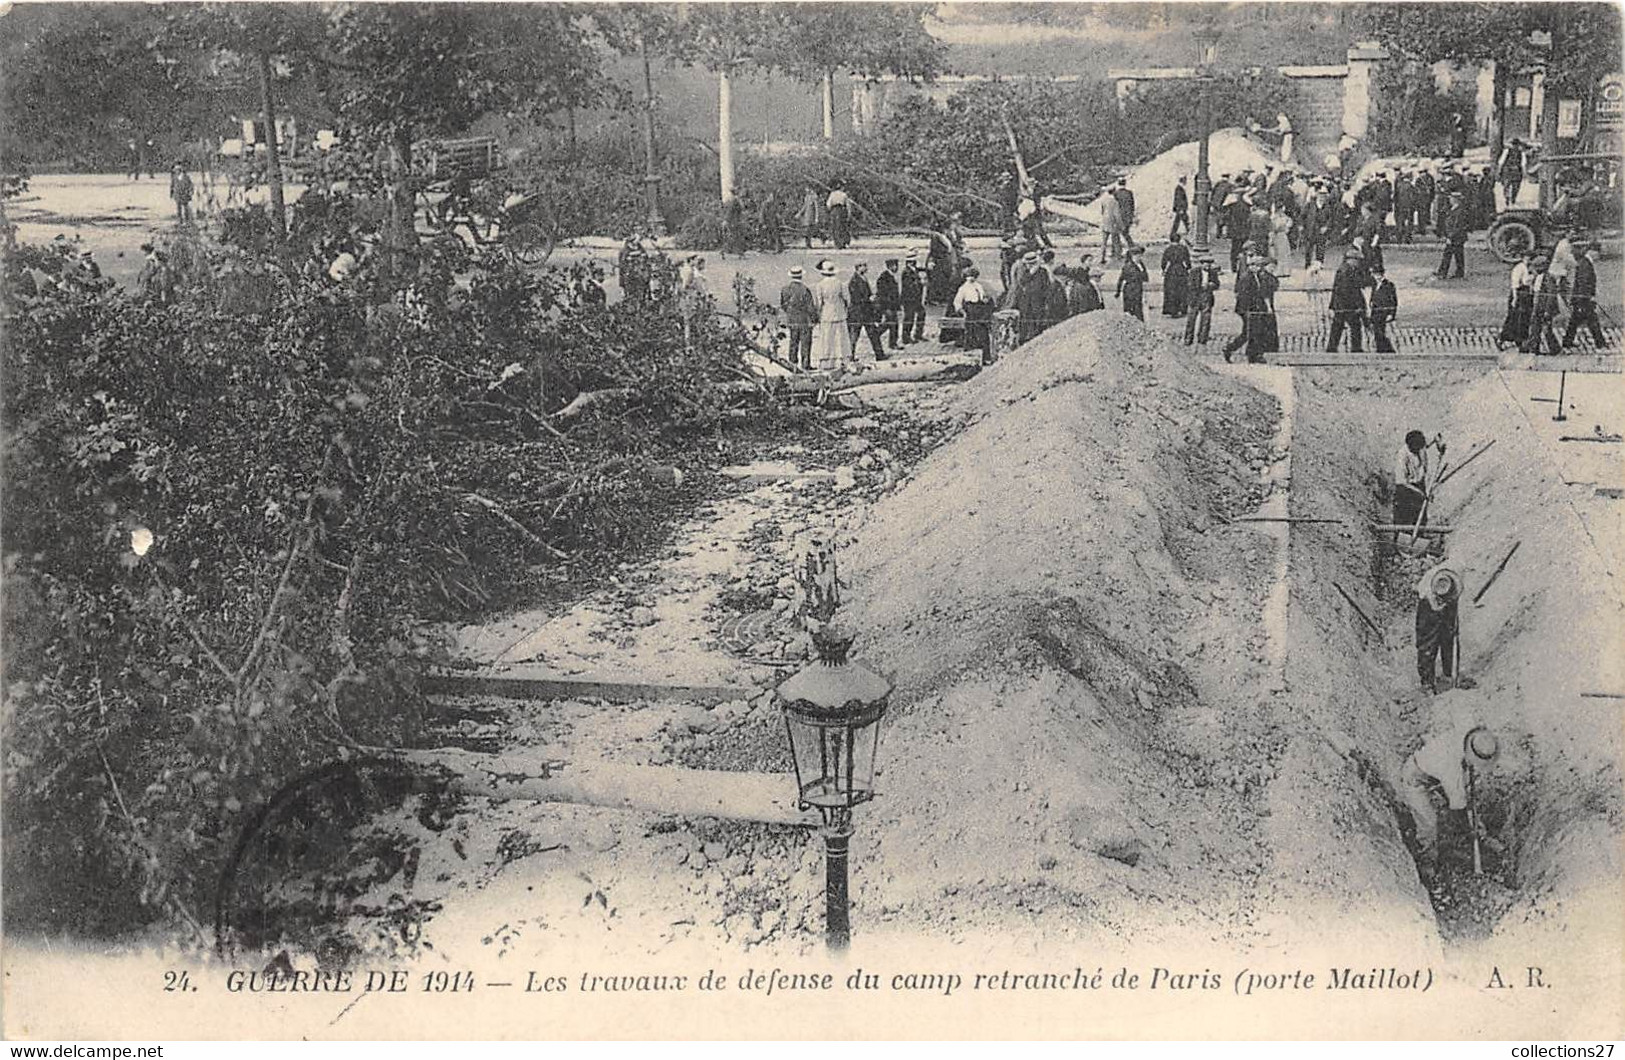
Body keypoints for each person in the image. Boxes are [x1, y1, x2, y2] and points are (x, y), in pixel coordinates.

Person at [1399, 722, 1500, 881]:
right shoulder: (1451, 769)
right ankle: (1427, 859)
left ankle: (1481, 836)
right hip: (1415, 778)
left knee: (1467, 799)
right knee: (1429, 823)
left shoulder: (1470, 739)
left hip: (1436, 772)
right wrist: (1465, 832)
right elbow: (1458, 808)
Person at [1414, 563, 1462, 693]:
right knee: (1428, 643)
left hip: (1448, 598)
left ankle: (1447, 674)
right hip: (1428, 608)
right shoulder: (1427, 593)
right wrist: (1439, 607)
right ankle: (1427, 682)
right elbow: (1435, 606)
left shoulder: (1453, 580)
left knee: (1448, 636)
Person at [1224, 253, 1278, 364]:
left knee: (1252, 332)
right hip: (1247, 310)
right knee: (1249, 332)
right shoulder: (1246, 278)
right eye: (1255, 266)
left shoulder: (1256, 276)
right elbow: (1244, 296)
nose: (1257, 268)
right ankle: (1232, 349)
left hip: (1254, 309)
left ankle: (1251, 354)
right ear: (1251, 266)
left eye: (1259, 266)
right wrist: (1249, 310)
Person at [1563, 241, 1605, 349]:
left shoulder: (1583, 264)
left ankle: (1567, 342)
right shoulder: (1583, 262)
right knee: (1590, 320)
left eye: (1574, 251)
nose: (1572, 254)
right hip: (1582, 298)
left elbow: (1584, 283)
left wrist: (1583, 298)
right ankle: (1600, 342)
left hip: (1582, 299)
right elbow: (1582, 283)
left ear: (1581, 250)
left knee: (1581, 320)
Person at [812, 260, 852, 370]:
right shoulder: (840, 283)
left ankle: (827, 360)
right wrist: (845, 309)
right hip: (839, 312)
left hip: (826, 313)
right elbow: (847, 299)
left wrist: (818, 313)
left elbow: (819, 303)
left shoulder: (820, 285)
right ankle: (841, 360)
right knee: (840, 337)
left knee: (827, 337)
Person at [1522, 254, 1565, 355]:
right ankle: (1533, 347)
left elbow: (1551, 296)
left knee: (1546, 329)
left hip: (1544, 308)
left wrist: (1547, 311)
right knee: (1535, 326)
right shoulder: (1539, 277)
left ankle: (1555, 349)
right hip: (1538, 306)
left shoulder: (1548, 279)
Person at [1393, 428, 1434, 529]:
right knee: (1405, 516)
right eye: (1417, 448)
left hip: (1419, 484)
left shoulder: (1420, 447)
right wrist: (1420, 493)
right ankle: (1402, 537)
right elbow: (1401, 482)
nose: (1419, 450)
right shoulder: (1402, 456)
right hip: (1406, 488)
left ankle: (1420, 535)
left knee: (1421, 515)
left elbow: (1433, 439)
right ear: (1410, 446)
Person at [779, 265, 818, 370]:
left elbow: (783, 305)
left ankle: (792, 364)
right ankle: (805, 364)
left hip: (792, 319)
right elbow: (810, 307)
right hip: (804, 319)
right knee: (805, 342)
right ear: (801, 276)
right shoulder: (805, 289)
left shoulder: (785, 289)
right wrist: (815, 318)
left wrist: (790, 312)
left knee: (793, 341)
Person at [953, 266, 993, 361]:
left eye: (973, 276)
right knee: (971, 335)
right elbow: (957, 302)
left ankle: (985, 358)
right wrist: (962, 312)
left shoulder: (978, 286)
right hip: (970, 311)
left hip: (980, 311)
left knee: (983, 335)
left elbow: (983, 297)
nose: (971, 278)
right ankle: (970, 359)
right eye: (969, 276)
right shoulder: (963, 288)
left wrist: (985, 300)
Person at [846, 261, 884, 360]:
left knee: (873, 334)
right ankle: (850, 356)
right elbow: (855, 299)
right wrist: (869, 299)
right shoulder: (854, 281)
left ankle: (879, 354)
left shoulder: (863, 278)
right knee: (854, 336)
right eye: (864, 266)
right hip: (857, 313)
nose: (866, 268)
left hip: (866, 312)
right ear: (858, 267)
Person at [1014, 250, 1053, 342]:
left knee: (1038, 319)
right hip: (1026, 301)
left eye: (1031, 264)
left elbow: (1047, 286)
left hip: (1039, 300)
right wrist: (1031, 273)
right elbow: (1021, 282)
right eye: (1028, 264)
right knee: (1027, 320)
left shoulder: (1043, 272)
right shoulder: (1024, 272)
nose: (1029, 266)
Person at [1499, 250, 1534, 349]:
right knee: (1514, 317)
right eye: (1527, 258)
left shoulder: (1529, 268)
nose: (1529, 261)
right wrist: (1515, 298)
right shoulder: (1519, 268)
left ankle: (1520, 339)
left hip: (1526, 295)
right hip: (1519, 294)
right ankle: (1505, 337)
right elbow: (1515, 284)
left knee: (1524, 318)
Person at [1184, 253, 1220, 346]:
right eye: (1205, 264)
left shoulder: (1213, 273)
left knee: (1206, 320)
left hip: (1207, 297)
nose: (1207, 266)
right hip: (1195, 297)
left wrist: (1211, 285)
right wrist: (1199, 286)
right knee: (1191, 320)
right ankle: (1188, 338)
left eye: (1209, 264)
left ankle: (1202, 339)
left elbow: (1217, 284)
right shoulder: (1194, 272)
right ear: (1201, 264)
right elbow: (1189, 285)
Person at [1435, 192, 1468, 280]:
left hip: (1456, 236)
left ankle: (1442, 273)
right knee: (1458, 255)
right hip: (1457, 236)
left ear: (1455, 200)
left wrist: (1450, 237)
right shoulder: (1455, 209)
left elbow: (1457, 226)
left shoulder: (1459, 211)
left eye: (1451, 198)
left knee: (1448, 254)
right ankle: (1459, 273)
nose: (1450, 200)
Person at [1369, 262, 1398, 353]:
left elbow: (1393, 301)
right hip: (1375, 312)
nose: (1377, 276)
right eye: (1375, 274)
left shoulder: (1389, 285)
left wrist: (1391, 314)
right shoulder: (1375, 284)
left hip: (1383, 312)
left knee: (1380, 332)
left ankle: (1388, 349)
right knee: (1377, 332)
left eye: (1378, 274)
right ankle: (1381, 349)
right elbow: (1373, 295)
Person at [875, 257, 903, 352]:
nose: (896, 268)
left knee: (892, 324)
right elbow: (882, 293)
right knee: (891, 323)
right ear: (889, 266)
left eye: (896, 265)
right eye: (894, 266)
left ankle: (892, 342)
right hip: (887, 306)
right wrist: (888, 305)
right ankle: (877, 334)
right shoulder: (884, 277)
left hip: (892, 306)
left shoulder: (891, 276)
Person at [1160, 233, 1191, 318]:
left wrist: (1163, 270)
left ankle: (1172, 310)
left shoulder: (1168, 249)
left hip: (1171, 271)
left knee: (1171, 291)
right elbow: (1188, 261)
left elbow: (1164, 262)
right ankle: (1182, 309)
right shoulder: (1183, 248)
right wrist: (1188, 268)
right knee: (1182, 290)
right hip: (1181, 270)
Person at [900, 248, 926, 346]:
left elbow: (921, 269)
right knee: (909, 318)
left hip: (915, 298)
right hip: (909, 299)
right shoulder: (906, 272)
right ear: (910, 262)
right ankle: (906, 337)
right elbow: (909, 286)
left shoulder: (913, 269)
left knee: (921, 314)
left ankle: (918, 334)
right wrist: (920, 282)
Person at [1115, 245, 1148, 322]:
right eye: (1139, 255)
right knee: (1133, 309)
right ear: (1134, 255)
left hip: (1138, 289)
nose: (1141, 257)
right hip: (1131, 290)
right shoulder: (1128, 266)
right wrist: (1118, 292)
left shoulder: (1140, 264)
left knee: (1138, 308)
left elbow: (1145, 277)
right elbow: (1121, 279)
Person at [618, 234, 649, 305]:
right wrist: (621, 285)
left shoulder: (640, 248)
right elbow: (622, 269)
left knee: (642, 297)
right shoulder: (624, 251)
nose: (638, 242)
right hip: (630, 278)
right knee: (630, 297)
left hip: (641, 278)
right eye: (636, 240)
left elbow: (646, 261)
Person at [1497, 138, 1525, 208]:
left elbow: (1523, 163)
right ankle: (1507, 199)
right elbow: (1501, 161)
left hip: (1517, 171)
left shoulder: (1521, 153)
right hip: (1508, 170)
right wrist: (1499, 170)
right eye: (1514, 144)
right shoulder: (1507, 151)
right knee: (1506, 185)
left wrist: (1524, 173)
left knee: (1516, 187)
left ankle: (1513, 200)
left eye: (1516, 145)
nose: (1515, 146)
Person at [1101, 187, 1127, 262]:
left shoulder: (1103, 200)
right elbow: (1117, 215)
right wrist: (1121, 225)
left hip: (1105, 222)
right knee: (1116, 240)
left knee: (1104, 242)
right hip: (1113, 223)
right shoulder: (1115, 202)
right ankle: (1118, 256)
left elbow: (1102, 211)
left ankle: (1102, 257)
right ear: (1114, 192)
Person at [1111, 177, 1136, 247]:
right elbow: (1132, 205)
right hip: (1128, 216)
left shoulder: (1116, 194)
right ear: (1125, 183)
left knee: (1115, 235)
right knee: (1125, 233)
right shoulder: (1129, 193)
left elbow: (1114, 206)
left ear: (1118, 183)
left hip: (1118, 217)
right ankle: (1131, 246)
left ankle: (1116, 250)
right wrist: (1131, 216)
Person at [826, 184, 852, 250]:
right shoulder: (844, 194)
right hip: (841, 210)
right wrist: (849, 213)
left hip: (834, 210)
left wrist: (830, 210)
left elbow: (828, 204)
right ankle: (843, 242)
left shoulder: (832, 194)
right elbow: (848, 205)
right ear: (841, 188)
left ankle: (837, 243)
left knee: (835, 227)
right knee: (842, 227)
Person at [1170, 175, 1190, 240]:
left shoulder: (1179, 188)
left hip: (1180, 209)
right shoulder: (1179, 189)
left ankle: (1173, 233)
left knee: (1180, 221)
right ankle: (1189, 232)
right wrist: (1181, 208)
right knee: (1183, 221)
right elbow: (1179, 199)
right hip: (1181, 209)